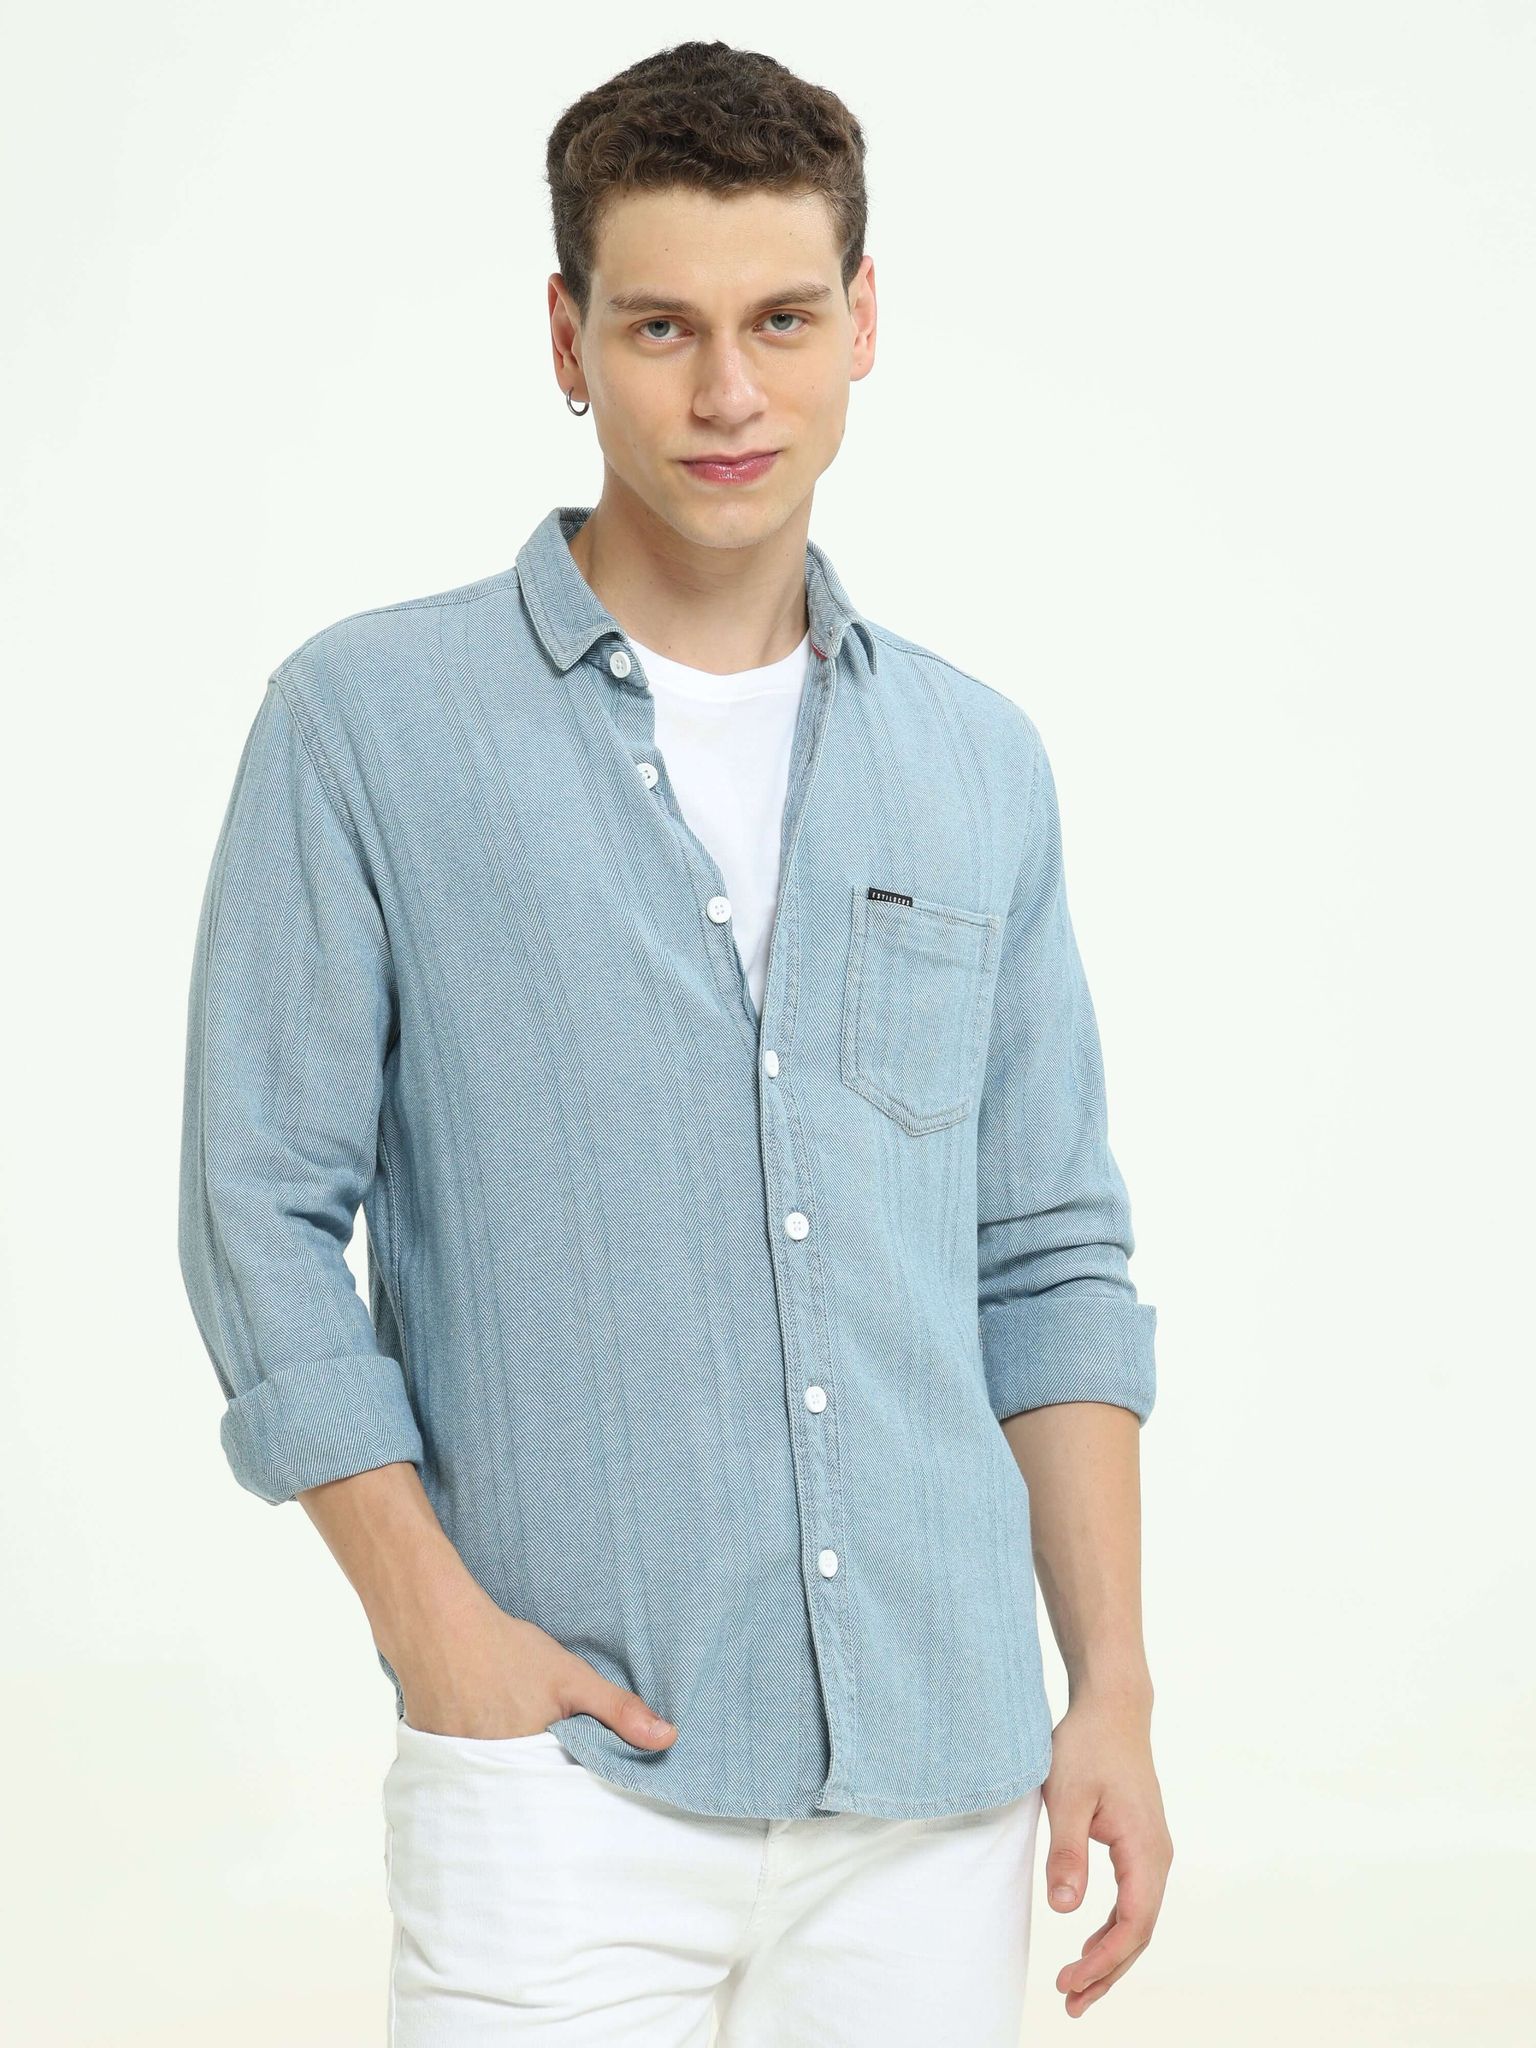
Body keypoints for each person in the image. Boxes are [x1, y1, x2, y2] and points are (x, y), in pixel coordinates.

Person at [177, 36, 1172, 2045]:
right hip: (558, 1777)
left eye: (782, 319)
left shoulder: (976, 760)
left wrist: (1115, 1693)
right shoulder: (366, 727)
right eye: (663, 329)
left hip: (940, 1784)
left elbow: (1047, 1252)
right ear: (568, 338)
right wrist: (435, 1631)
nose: (730, 395)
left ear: (863, 322)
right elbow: (258, 1213)